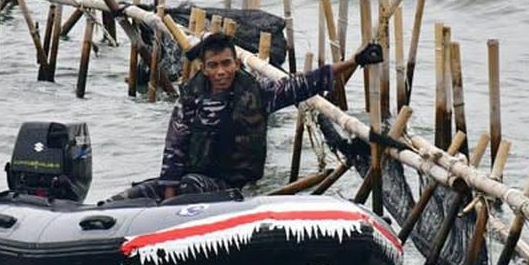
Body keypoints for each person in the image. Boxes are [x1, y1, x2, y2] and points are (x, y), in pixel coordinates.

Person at [117, 32, 383, 200]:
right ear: (204, 69)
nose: (221, 71)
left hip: (229, 185)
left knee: (187, 186)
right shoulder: (191, 100)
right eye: (213, 66)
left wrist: (355, 61)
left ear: (236, 63)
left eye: (226, 64)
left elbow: (303, 83)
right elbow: (173, 148)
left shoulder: (256, 95)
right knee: (140, 191)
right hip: (193, 177)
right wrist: (169, 197)